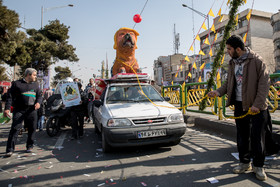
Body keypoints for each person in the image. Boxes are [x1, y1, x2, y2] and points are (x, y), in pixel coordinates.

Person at [207, 35, 270, 181]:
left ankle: (259, 167)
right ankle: (244, 163)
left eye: (229, 49)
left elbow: (264, 84)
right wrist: (218, 92)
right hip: (239, 105)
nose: (227, 52)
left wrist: (257, 105)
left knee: (257, 138)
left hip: (256, 107)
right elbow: (229, 83)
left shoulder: (257, 60)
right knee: (242, 137)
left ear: (238, 49)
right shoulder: (232, 63)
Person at [4, 68, 42, 157]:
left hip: (31, 110)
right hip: (19, 110)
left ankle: (30, 145)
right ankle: (10, 149)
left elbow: (39, 96)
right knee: (15, 129)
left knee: (32, 128)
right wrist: (7, 108)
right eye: (34, 75)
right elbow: (9, 97)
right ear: (28, 75)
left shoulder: (36, 85)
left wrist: (38, 103)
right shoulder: (17, 84)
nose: (35, 77)